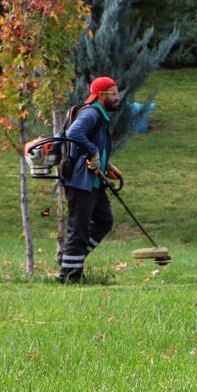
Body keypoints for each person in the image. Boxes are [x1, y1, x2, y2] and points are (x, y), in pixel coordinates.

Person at [59, 76, 122, 284]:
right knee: (79, 229)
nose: (117, 97)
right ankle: (69, 276)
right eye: (114, 93)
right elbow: (74, 132)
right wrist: (94, 153)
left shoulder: (100, 115)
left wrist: (107, 165)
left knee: (104, 220)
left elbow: (92, 142)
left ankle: (71, 260)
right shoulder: (91, 113)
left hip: (94, 181)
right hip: (80, 181)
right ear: (102, 95)